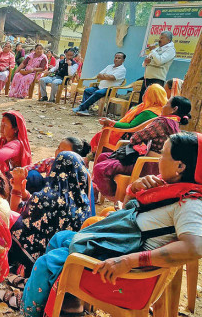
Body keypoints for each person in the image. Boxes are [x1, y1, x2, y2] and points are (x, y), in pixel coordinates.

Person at [20, 132, 202, 317]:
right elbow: (129, 211)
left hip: (122, 269)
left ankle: (30, 312)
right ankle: (68, 302)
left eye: (163, 154)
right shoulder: (170, 187)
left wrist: (130, 260)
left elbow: (194, 247)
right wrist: (136, 188)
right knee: (60, 238)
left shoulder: (190, 203)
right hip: (118, 245)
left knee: (45, 264)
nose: (158, 159)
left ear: (180, 166)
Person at [6, 152, 92, 281]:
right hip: (63, 260)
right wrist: (25, 193)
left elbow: (17, 211)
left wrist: (17, 189)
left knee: (12, 218)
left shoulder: (45, 198)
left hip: (39, 261)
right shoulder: (84, 203)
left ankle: (20, 267)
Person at [93, 96, 191, 200]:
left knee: (100, 168)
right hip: (153, 163)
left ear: (174, 109)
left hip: (145, 165)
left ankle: (116, 198)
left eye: (167, 104)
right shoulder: (175, 123)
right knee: (103, 157)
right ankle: (99, 192)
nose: (163, 106)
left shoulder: (162, 122)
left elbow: (135, 138)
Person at [89, 84, 168, 155]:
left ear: (151, 97)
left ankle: (92, 156)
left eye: (146, 94)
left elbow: (130, 126)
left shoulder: (148, 112)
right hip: (143, 140)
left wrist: (111, 122)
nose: (143, 96)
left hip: (131, 137)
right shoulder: (160, 110)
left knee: (103, 134)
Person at [24, 137, 91, 193]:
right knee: (32, 175)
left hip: (64, 198)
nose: (58, 151)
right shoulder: (51, 161)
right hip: (46, 190)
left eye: (63, 151)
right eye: (58, 148)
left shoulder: (77, 169)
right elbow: (32, 167)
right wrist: (18, 172)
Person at [139, 31, 176, 102]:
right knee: (142, 101)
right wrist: (146, 62)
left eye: (162, 38)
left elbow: (160, 61)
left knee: (152, 101)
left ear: (169, 40)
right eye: (159, 38)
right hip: (147, 78)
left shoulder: (170, 50)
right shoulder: (156, 49)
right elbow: (144, 64)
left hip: (157, 79)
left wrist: (152, 51)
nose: (159, 40)